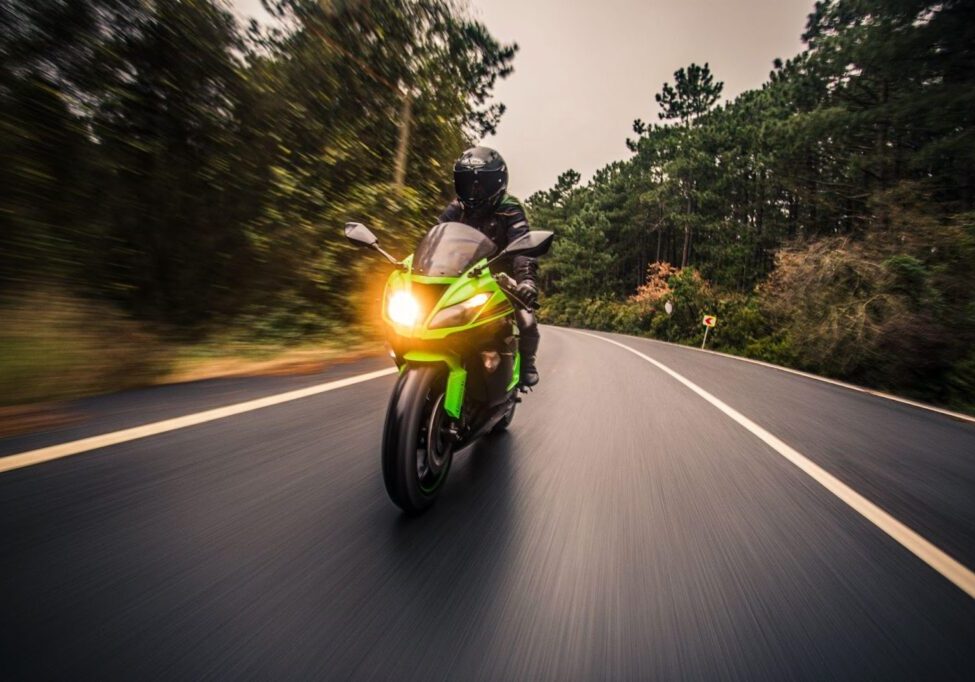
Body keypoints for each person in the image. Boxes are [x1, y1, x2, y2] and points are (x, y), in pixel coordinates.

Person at [440, 146, 541, 387]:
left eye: (481, 183)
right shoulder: (456, 209)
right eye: (468, 183)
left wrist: (526, 280)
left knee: (527, 321)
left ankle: (527, 363)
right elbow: (436, 237)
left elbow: (523, 247)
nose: (474, 191)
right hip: (459, 277)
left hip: (500, 278)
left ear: (497, 183)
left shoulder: (510, 208)